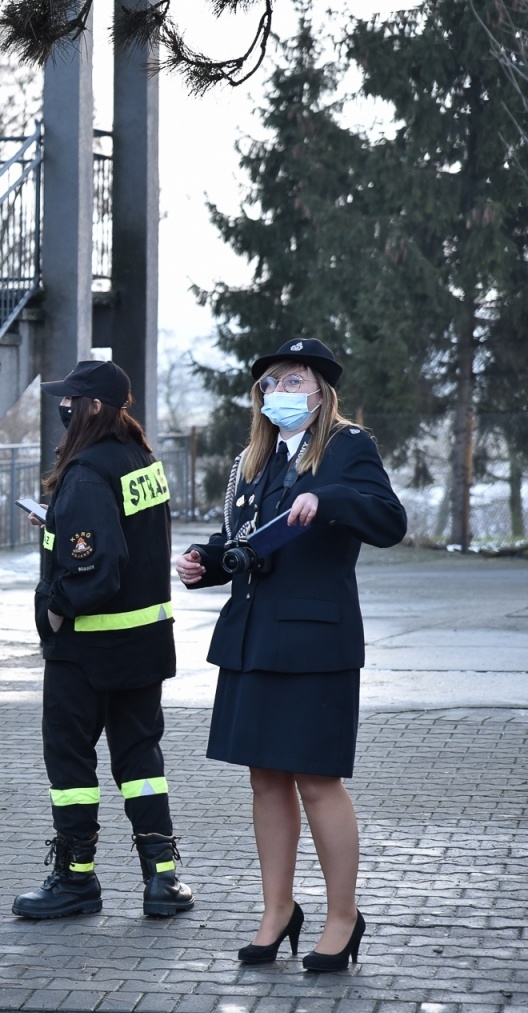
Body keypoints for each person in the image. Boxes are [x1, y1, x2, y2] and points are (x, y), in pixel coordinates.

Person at [175, 338, 405, 972]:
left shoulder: (347, 447)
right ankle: (278, 910)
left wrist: (327, 500)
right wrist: (208, 561)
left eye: (295, 380)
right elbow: (248, 542)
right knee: (265, 778)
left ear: (321, 391)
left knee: (317, 780)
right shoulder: (256, 459)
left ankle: (342, 917)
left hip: (314, 642)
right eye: (272, 382)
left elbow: (389, 520)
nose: (281, 391)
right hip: (253, 638)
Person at [12, 360, 194, 921]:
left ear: (92, 408)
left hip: (87, 653)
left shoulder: (87, 471)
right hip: (142, 646)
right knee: (140, 759)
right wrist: (60, 525)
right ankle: (161, 879)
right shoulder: (142, 461)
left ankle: (75, 879)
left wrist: (57, 609)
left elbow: (100, 563)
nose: (62, 409)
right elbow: (127, 540)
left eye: (71, 401)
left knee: (70, 765)